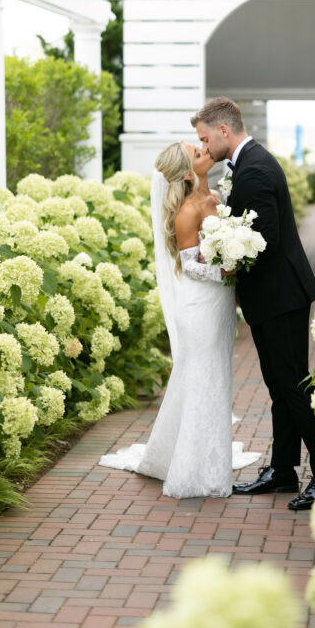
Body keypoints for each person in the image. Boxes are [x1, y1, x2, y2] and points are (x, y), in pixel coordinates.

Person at [191, 96, 315, 511]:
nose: (203, 147)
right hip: (273, 295)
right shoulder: (248, 162)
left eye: (205, 138)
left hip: (280, 294)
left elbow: (262, 239)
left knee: (292, 384)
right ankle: (284, 470)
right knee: (278, 384)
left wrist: (226, 259)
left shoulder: (254, 167)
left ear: (224, 130)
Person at [98, 140, 259, 499]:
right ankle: (194, 470)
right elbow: (190, 267)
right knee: (204, 379)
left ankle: (201, 454)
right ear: (187, 172)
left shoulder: (215, 196)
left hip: (218, 307)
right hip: (200, 306)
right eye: (199, 153)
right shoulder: (186, 211)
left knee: (214, 378)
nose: (207, 152)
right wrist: (228, 271)